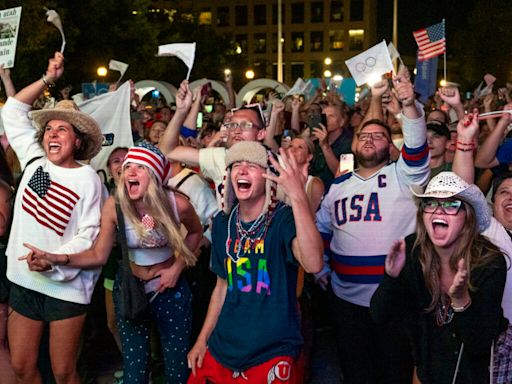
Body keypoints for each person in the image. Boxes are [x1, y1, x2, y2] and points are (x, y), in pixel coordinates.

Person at [23, 141, 203, 384]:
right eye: (128, 166)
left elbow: (195, 232)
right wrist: (58, 259)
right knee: (134, 370)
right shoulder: (115, 205)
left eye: (140, 167)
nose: (130, 171)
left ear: (154, 175)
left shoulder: (176, 204)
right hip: (131, 289)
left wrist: (176, 268)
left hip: (170, 290)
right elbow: (98, 254)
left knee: (176, 366)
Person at [315, 71, 430, 383]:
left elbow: (417, 150)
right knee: (356, 373)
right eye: (363, 135)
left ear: (390, 146)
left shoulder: (403, 177)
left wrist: (408, 105)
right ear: (354, 142)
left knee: (394, 373)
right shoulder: (337, 186)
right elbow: (321, 230)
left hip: (395, 303)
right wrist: (321, 270)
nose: (369, 139)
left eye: (379, 136)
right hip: (346, 304)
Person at [1, 52, 104, 384]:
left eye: (63, 129)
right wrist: (48, 78)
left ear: (77, 140)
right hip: (23, 279)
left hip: (66, 286)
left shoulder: (89, 179)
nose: (53, 134)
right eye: (49, 129)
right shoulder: (33, 160)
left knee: (63, 371)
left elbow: (89, 235)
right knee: (21, 365)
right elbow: (14, 109)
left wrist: (53, 261)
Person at [187, 141, 323, 383]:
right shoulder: (222, 223)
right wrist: (202, 340)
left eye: (252, 165)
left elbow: (313, 264)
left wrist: (298, 197)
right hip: (224, 345)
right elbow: (221, 287)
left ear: (267, 178)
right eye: (236, 165)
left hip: (271, 349)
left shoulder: (283, 219)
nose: (242, 170)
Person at [370, 171, 508, 383]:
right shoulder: (412, 251)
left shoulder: (490, 262)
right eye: (431, 203)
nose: (438, 211)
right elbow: (380, 316)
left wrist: (461, 300)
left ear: (467, 218)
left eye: (451, 205)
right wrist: (391, 277)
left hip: (473, 375)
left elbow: (478, 344)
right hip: (427, 371)